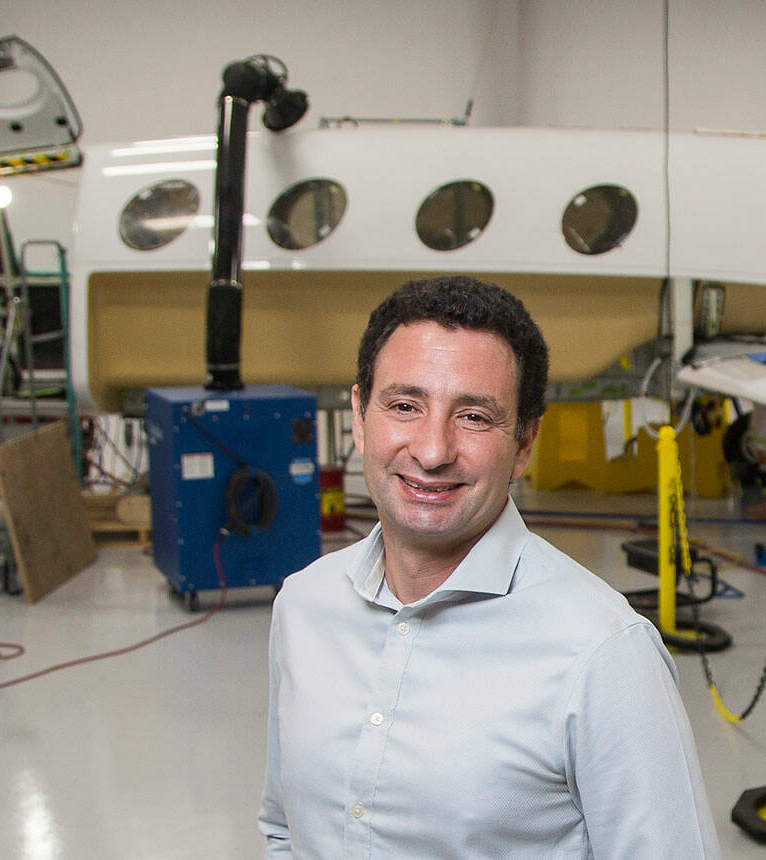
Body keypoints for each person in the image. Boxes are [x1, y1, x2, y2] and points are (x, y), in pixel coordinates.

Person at [258, 276, 720, 858]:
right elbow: (285, 831)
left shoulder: (604, 654)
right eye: (404, 406)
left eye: (474, 417)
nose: (431, 452)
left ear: (524, 443)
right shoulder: (303, 607)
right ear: (360, 413)